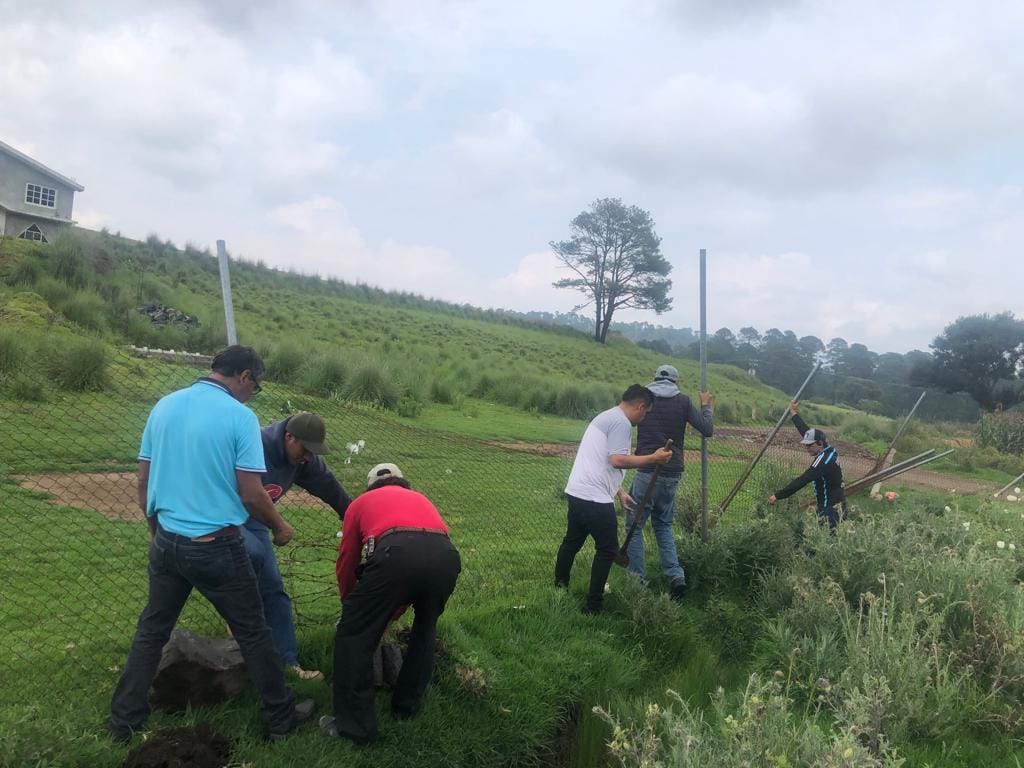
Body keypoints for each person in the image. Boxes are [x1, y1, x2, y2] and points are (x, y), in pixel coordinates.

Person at [108, 346, 314, 744]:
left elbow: (143, 480)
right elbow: (253, 495)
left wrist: (156, 531)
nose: (253, 393)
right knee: (252, 631)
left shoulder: (165, 406)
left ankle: (124, 722)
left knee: (152, 631)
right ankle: (280, 718)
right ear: (244, 377)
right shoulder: (241, 418)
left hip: (168, 540)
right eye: (255, 385)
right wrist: (280, 527)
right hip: (216, 544)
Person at [321, 463, 460, 745]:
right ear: (402, 483)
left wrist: (352, 608)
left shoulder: (360, 503)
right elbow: (420, 563)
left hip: (396, 553)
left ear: (370, 485)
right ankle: (406, 708)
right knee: (425, 630)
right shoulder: (420, 497)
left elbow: (347, 561)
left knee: (353, 636)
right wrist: (390, 609)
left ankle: (354, 728)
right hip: (446, 557)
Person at [245, 412, 352, 681]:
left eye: (311, 453)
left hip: (256, 522)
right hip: (220, 517)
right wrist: (279, 525)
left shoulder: (302, 460)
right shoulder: (253, 444)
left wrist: (352, 517)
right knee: (245, 577)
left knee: (273, 590)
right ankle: (240, 657)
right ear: (288, 437)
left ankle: (287, 663)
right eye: (304, 449)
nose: (306, 457)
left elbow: (329, 487)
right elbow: (248, 493)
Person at [555, 384, 672, 614]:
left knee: (572, 542)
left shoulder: (606, 416)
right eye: (646, 412)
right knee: (608, 549)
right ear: (640, 406)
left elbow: (601, 460)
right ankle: (593, 606)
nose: (644, 417)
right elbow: (617, 460)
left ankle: (559, 589)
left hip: (578, 492)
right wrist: (654, 458)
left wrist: (620, 491)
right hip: (595, 498)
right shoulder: (621, 423)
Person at [625, 364, 713, 599]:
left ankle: (637, 583)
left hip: (646, 469)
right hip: (673, 471)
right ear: (676, 381)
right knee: (663, 525)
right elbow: (707, 429)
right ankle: (676, 577)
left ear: (654, 378)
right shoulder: (683, 401)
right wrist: (706, 405)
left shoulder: (644, 398)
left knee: (633, 527)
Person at [768, 402, 846, 530]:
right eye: (806, 445)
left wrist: (778, 495)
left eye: (809, 445)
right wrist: (793, 413)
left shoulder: (823, 462)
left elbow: (803, 480)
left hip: (830, 508)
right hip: (836, 503)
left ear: (820, 443)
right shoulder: (828, 449)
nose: (807, 448)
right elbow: (807, 432)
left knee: (824, 541)